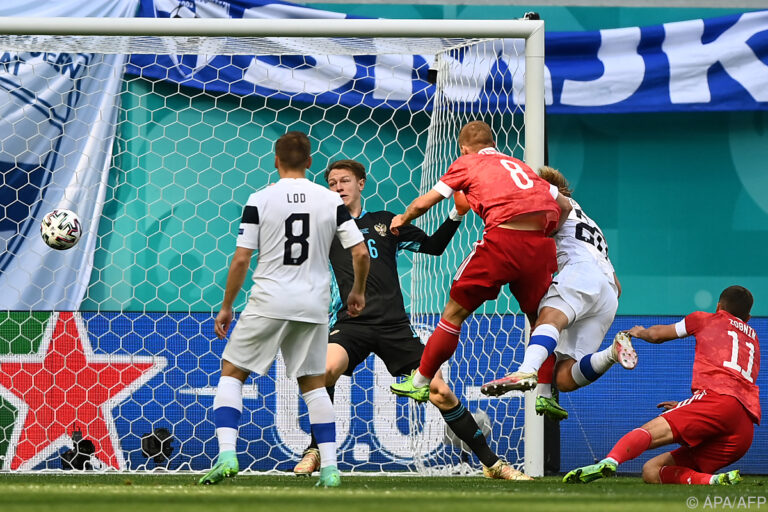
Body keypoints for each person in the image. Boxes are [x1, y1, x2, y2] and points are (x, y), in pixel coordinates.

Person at [293, 159, 531, 481]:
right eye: (332, 183)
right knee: (322, 372)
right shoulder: (325, 231)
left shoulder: (385, 223)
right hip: (352, 325)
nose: (338, 188)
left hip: (395, 329)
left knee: (441, 392)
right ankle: (316, 449)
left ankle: (493, 464)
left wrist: (456, 214)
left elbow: (433, 247)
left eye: (345, 181)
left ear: (360, 184)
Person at [199, 132, 370, 487]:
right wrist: (357, 291)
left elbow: (242, 258)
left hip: (269, 299)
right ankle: (330, 469)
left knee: (232, 372)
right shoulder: (329, 200)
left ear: (276, 162)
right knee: (313, 385)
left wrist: (227, 305)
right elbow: (360, 252)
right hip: (313, 304)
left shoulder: (260, 199)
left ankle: (228, 455)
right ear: (310, 163)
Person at [389, 121, 571, 402]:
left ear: (463, 149)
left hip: (503, 242)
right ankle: (546, 393)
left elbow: (425, 203)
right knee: (541, 321)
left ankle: (421, 381)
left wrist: (402, 218)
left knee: (453, 314)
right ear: (494, 143)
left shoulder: (468, 163)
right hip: (540, 247)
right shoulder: (519, 165)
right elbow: (566, 206)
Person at [480, 167, 637, 419]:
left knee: (549, 318)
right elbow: (618, 287)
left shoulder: (549, 200)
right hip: (607, 293)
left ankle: (526, 369)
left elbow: (552, 218)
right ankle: (612, 353)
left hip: (580, 272)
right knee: (564, 378)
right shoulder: (589, 222)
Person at [564, 285, 759, 486]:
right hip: (743, 427)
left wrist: (641, 332)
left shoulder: (704, 318)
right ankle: (714, 480)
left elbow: (658, 335)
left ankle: (610, 461)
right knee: (652, 471)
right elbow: (734, 385)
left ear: (718, 306)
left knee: (647, 432)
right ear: (748, 318)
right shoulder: (753, 339)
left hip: (715, 402)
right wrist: (692, 405)